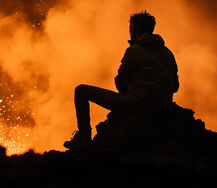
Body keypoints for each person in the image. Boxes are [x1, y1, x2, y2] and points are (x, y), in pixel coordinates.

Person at [64, 11, 179, 149]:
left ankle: (84, 137)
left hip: (136, 103)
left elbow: (120, 82)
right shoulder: (168, 53)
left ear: (134, 29)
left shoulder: (135, 51)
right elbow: (175, 87)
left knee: (81, 91)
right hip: (163, 105)